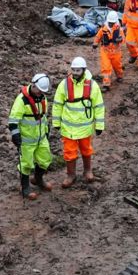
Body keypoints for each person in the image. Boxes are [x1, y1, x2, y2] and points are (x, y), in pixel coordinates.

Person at [51, 56, 105, 187]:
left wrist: (99, 125)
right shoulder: (64, 85)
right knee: (69, 152)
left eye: (78, 71)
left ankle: (88, 171)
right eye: (73, 70)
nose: (75, 73)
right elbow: (57, 104)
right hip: (68, 128)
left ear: (84, 70)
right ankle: (71, 175)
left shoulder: (92, 85)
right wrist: (56, 123)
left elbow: (98, 106)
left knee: (86, 150)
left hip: (85, 128)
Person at [8, 73, 54, 200]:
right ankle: (25, 188)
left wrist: (46, 130)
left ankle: (38, 180)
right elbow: (13, 121)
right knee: (26, 164)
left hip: (41, 137)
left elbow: (43, 117)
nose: (40, 93)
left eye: (42, 92)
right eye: (39, 91)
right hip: (26, 140)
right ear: (33, 85)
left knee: (45, 159)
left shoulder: (43, 98)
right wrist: (15, 135)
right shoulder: (21, 100)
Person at [92, 10, 125, 90]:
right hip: (105, 51)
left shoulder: (119, 29)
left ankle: (120, 76)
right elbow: (98, 36)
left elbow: (123, 39)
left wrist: (120, 40)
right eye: (110, 22)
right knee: (105, 67)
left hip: (116, 52)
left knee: (117, 66)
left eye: (112, 23)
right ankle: (106, 84)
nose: (111, 24)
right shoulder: (103, 29)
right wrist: (95, 43)